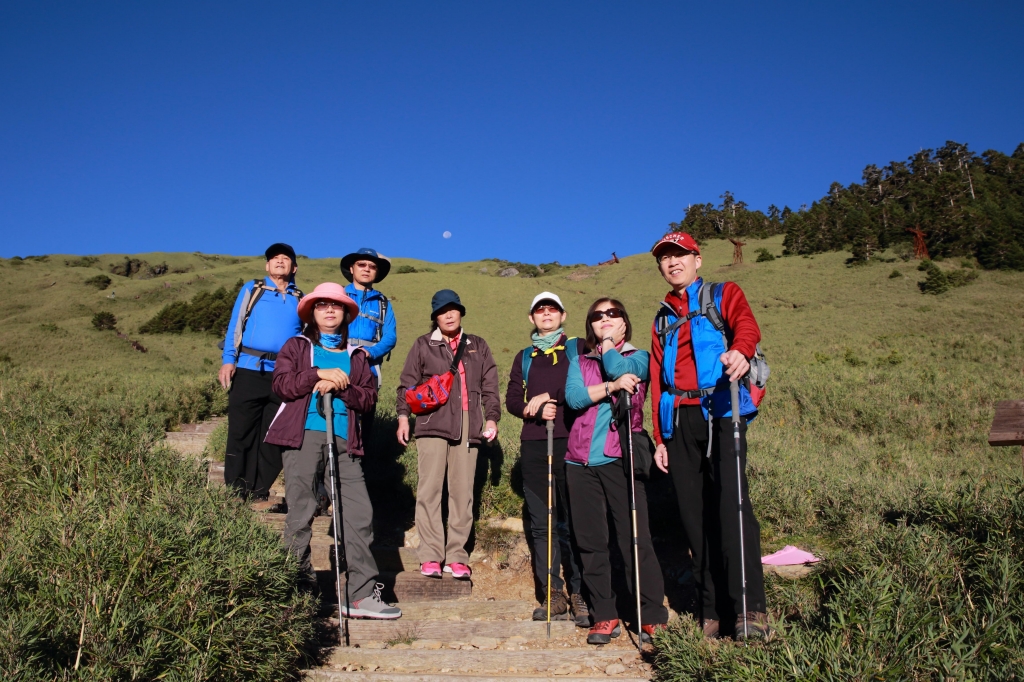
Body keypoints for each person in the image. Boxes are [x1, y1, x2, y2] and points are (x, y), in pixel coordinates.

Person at [648, 231, 768, 640]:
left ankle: (749, 610)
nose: (672, 262)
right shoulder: (662, 317)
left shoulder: (724, 293)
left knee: (733, 509)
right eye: (665, 258)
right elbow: (656, 379)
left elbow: (746, 326)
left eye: (679, 255)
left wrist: (742, 350)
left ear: (697, 259)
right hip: (679, 420)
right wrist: (660, 438)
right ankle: (711, 610)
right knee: (693, 519)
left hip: (722, 410)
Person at [265, 282, 401, 619]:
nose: (329, 310)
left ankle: (360, 595)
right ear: (312, 312)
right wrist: (317, 375)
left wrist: (340, 387)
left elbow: (368, 400)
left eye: (336, 306)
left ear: (346, 314)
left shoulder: (357, 357)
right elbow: (281, 385)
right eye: (322, 305)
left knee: (358, 514)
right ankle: (295, 586)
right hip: (304, 436)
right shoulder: (296, 347)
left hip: (345, 442)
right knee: (302, 511)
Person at [564, 298, 668, 645]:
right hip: (579, 461)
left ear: (625, 322)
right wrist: (610, 388)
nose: (604, 319)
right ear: (589, 325)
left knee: (634, 538)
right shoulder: (580, 360)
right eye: (597, 316)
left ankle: (651, 615)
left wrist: (609, 347)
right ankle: (604, 614)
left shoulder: (639, 356)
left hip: (620, 457)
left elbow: (623, 372)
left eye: (612, 314)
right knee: (590, 542)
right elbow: (575, 398)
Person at [396, 290, 500, 581]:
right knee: (429, 490)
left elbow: (491, 387)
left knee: (463, 493)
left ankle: (457, 556)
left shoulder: (478, 346)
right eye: (443, 311)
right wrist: (403, 417)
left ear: (461, 312)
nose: (449, 314)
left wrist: (491, 418)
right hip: (431, 422)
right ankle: (430, 554)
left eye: (453, 309)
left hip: (469, 423)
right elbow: (406, 384)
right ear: (436, 317)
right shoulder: (422, 345)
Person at [505, 292, 589, 627]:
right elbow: (512, 399)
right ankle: (552, 593)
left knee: (579, 520)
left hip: (575, 441)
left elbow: (588, 385)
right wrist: (532, 407)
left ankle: (583, 593)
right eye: (540, 310)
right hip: (536, 446)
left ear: (563, 315)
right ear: (532, 318)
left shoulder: (577, 348)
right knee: (543, 523)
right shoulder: (524, 357)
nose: (546, 314)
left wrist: (554, 402)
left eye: (552, 309)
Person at [219, 243, 303, 500]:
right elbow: (236, 323)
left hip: (282, 375)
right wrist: (228, 359)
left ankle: (259, 489)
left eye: (285, 258)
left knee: (272, 434)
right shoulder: (253, 289)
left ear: (294, 267)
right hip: (247, 368)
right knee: (241, 431)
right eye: (274, 258)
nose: (279, 261)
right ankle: (235, 488)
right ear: (267, 265)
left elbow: (303, 337)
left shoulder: (300, 298)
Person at [339, 248, 397, 391]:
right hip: (338, 365)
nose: (367, 269)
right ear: (352, 269)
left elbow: (390, 336)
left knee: (366, 410)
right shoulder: (338, 296)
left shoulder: (382, 303)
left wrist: (371, 352)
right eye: (361, 265)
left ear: (376, 272)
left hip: (370, 369)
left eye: (372, 267)